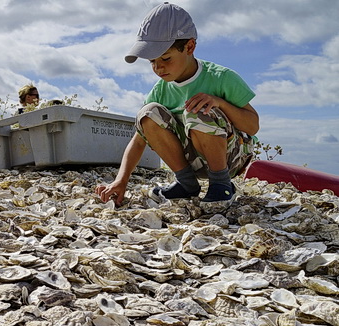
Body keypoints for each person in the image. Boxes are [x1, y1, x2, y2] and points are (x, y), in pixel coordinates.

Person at [96, 2, 259, 206]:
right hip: (192, 160)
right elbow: (138, 141)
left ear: (189, 47)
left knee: (197, 108)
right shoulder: (160, 90)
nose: (158, 67)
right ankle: (187, 184)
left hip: (230, 158)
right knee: (148, 113)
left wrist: (219, 103)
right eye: (152, 61)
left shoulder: (222, 77)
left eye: (165, 58)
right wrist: (121, 181)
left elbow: (253, 126)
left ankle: (221, 184)